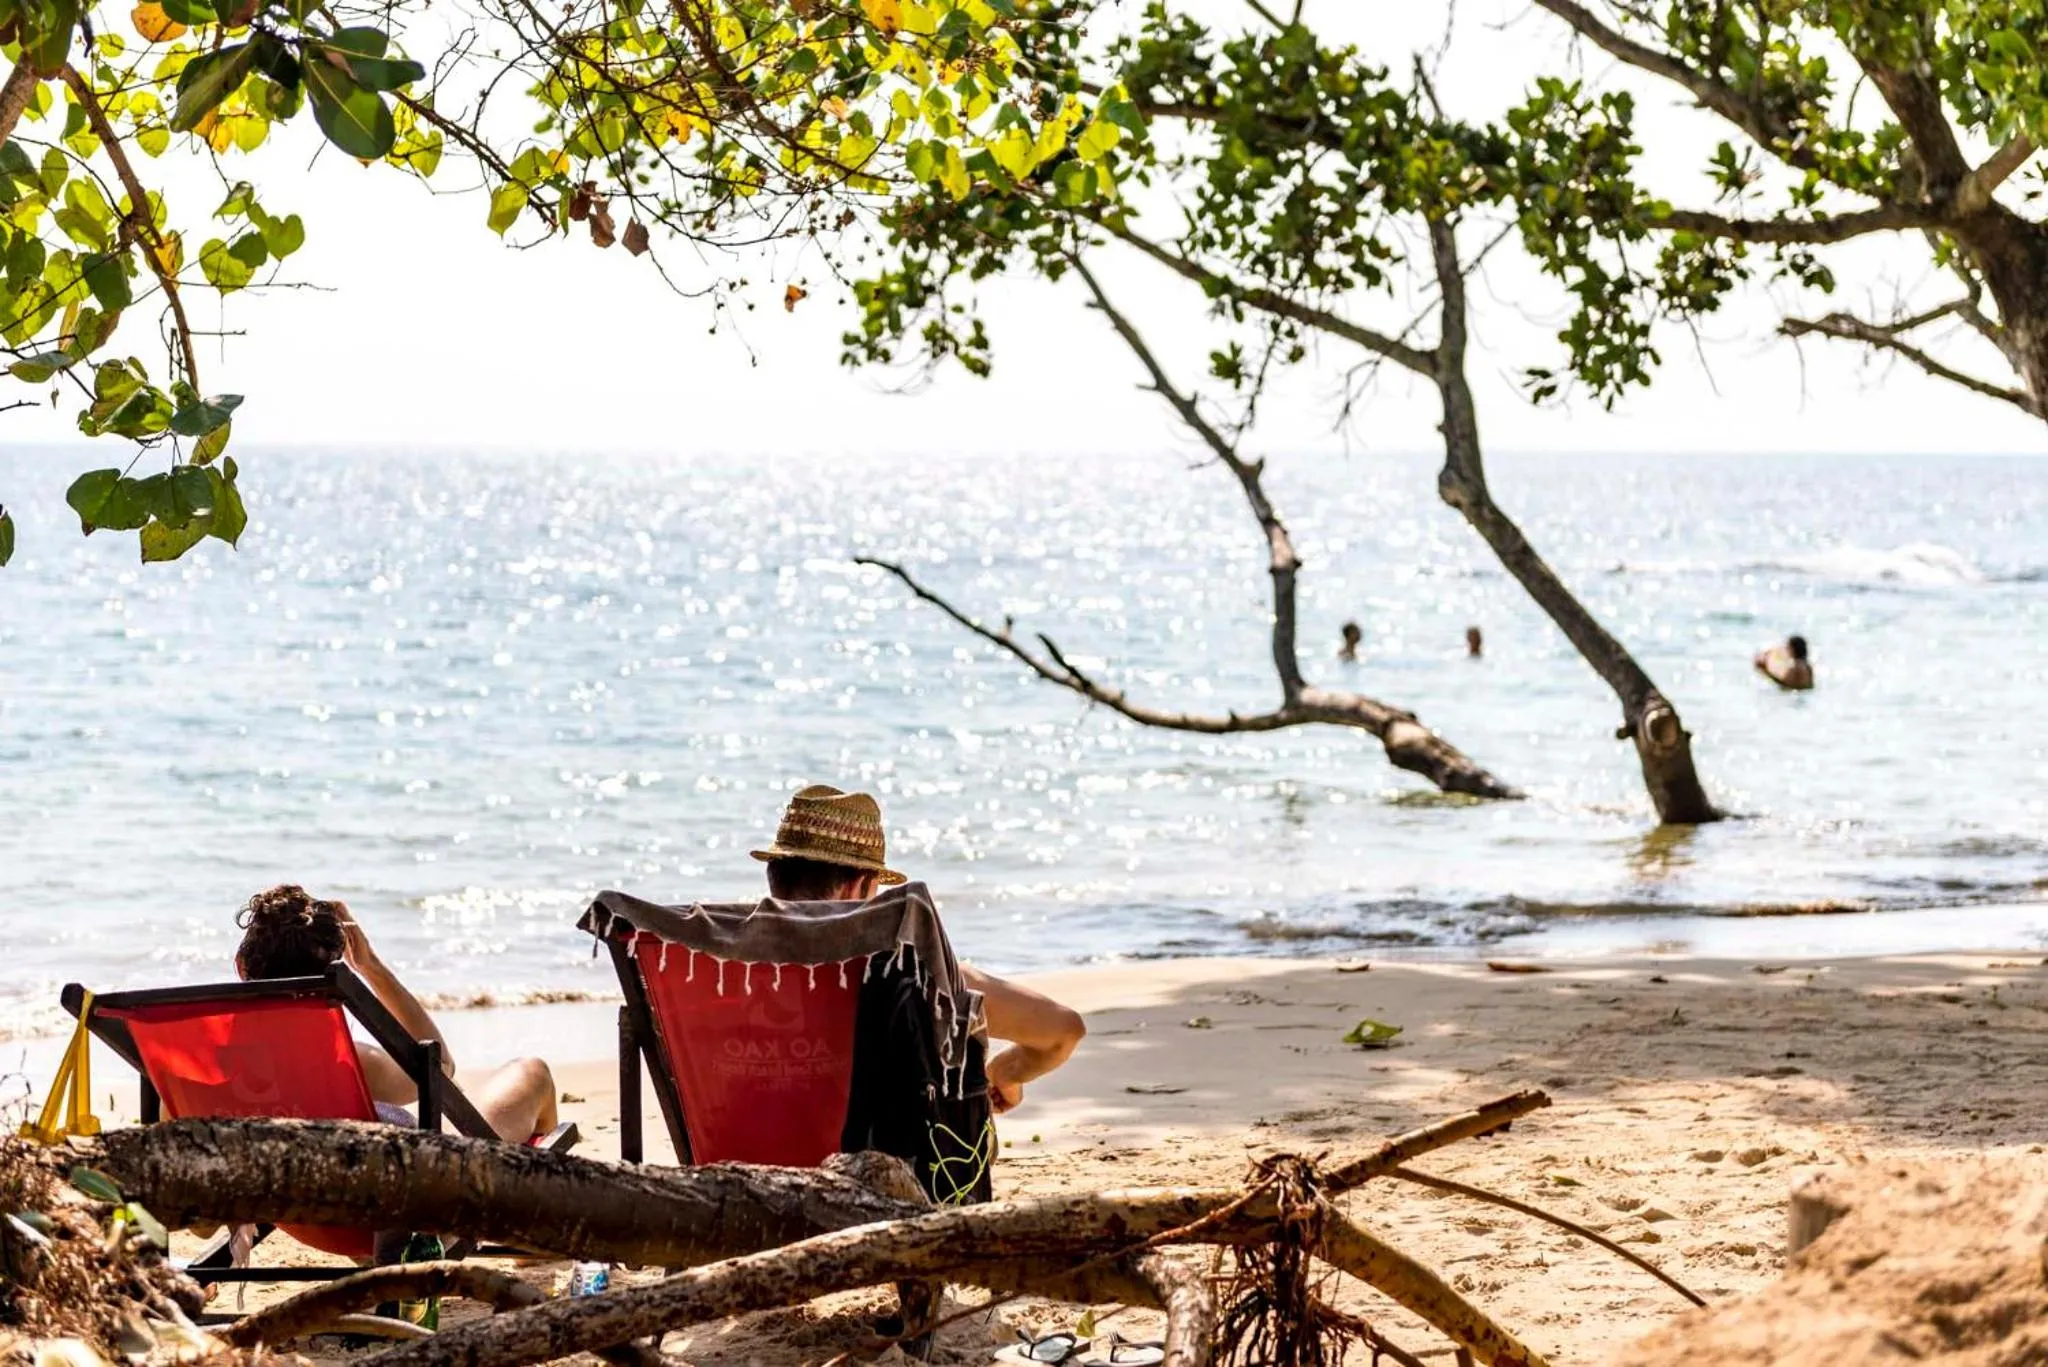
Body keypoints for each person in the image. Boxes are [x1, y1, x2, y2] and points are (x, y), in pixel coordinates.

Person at [750, 785, 1085, 1115]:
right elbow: (1063, 1031)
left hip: (740, 1155)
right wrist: (1004, 1073)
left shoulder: (712, 969)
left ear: (774, 877)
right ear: (859, 885)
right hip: (875, 1162)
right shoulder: (914, 975)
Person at [233, 884, 560, 1143]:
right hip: (407, 1199)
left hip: (293, 1203)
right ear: (334, 982)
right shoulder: (350, 1065)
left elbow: (204, 1231)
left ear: (241, 967)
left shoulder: (206, 1068)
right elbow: (440, 1069)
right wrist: (371, 967)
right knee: (532, 1072)